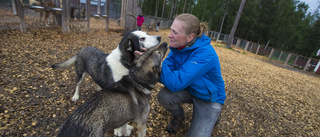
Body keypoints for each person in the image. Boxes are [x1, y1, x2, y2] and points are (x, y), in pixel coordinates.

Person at [135, 13, 225, 137]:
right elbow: (166, 70)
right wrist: (150, 62)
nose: (169, 35)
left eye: (175, 32)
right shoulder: (178, 47)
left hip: (209, 99)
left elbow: (175, 83)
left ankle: (213, 116)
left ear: (190, 37)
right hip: (190, 89)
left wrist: (151, 61)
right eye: (171, 30)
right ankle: (178, 115)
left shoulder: (206, 53)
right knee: (164, 96)